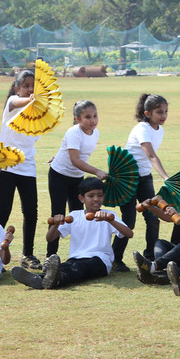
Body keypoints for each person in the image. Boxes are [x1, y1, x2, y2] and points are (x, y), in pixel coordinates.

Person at [10, 177, 132, 289]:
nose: (96, 199)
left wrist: (109, 220)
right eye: (91, 196)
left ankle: (55, 281)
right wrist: (56, 224)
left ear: (103, 197)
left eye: (100, 195)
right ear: (81, 198)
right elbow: (50, 238)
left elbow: (128, 234)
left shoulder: (109, 215)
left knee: (80, 269)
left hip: (100, 260)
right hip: (75, 258)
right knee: (64, 267)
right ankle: (39, 278)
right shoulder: (74, 216)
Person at [113, 93, 171, 272]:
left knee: (153, 217)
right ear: (147, 113)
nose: (163, 115)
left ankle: (150, 257)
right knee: (129, 221)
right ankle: (115, 259)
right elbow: (151, 156)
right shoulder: (142, 128)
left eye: (166, 111)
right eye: (159, 112)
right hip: (127, 178)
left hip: (144, 177)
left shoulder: (159, 130)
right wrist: (166, 177)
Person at [0, 69, 42, 272]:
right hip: (6, 164)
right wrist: (33, 98)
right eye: (26, 86)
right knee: (3, 209)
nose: (30, 89)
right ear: (17, 88)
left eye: (33, 86)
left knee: (31, 211)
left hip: (27, 166)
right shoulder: (12, 102)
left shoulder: (38, 113)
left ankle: (28, 254)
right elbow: (21, 102)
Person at [45, 100, 108, 260]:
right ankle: (50, 257)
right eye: (87, 117)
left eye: (95, 116)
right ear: (77, 119)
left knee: (81, 215)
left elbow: (79, 155)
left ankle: (82, 253)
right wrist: (96, 171)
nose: (92, 120)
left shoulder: (96, 132)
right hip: (59, 176)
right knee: (58, 215)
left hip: (77, 178)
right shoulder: (74, 132)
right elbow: (75, 160)